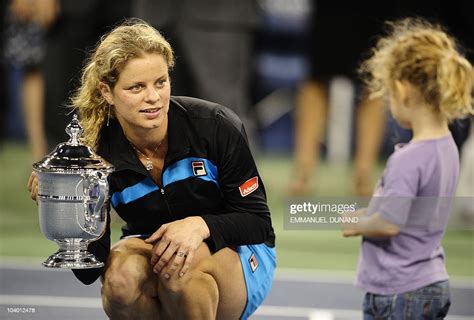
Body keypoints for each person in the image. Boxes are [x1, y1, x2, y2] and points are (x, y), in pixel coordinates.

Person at [28, 20, 276, 319]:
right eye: (136, 87)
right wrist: (68, 208)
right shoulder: (96, 154)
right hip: (151, 249)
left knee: (178, 265)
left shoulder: (215, 126)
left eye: (160, 82)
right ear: (107, 92)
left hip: (238, 255)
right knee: (120, 278)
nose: (154, 97)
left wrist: (199, 225)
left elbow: (258, 222)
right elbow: (89, 270)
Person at [342, 17, 473, 319]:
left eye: (388, 93)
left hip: (399, 291)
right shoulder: (448, 147)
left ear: (402, 90)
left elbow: (389, 224)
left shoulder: (408, 158)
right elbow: (410, 212)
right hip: (431, 281)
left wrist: (357, 223)